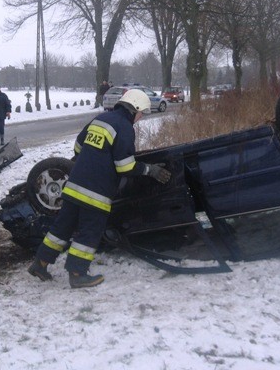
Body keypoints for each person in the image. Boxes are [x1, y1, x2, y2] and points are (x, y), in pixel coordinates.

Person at [28, 89, 172, 289]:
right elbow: (125, 166)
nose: (140, 118)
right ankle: (77, 273)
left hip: (74, 185)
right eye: (141, 113)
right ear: (135, 108)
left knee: (61, 228)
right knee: (89, 232)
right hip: (95, 193)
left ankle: (40, 264)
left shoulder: (101, 119)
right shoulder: (125, 127)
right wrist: (150, 170)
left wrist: (92, 159)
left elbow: (78, 146)